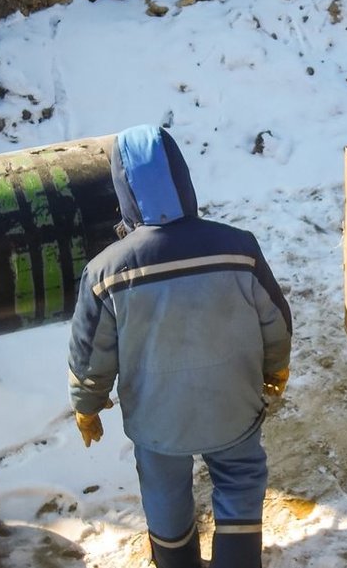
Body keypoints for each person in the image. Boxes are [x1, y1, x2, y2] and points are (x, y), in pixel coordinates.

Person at [68, 124, 292, 568]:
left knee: (164, 492)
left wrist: (87, 404)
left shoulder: (106, 271)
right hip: (233, 405)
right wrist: (275, 368)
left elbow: (91, 352)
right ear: (184, 181)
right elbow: (276, 320)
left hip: (157, 419)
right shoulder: (238, 247)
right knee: (239, 483)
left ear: (124, 192)